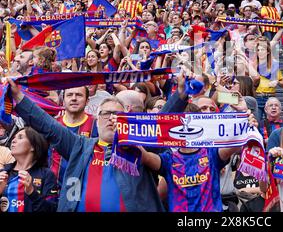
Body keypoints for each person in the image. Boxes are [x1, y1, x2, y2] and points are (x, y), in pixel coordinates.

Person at [6, 71, 190, 211]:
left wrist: (181, 94)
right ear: (96, 118)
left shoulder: (140, 146)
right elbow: (46, 125)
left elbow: (161, 122)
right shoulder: (79, 145)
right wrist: (18, 97)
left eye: (117, 115)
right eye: (106, 114)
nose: (111, 118)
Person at [0, 127, 59, 212]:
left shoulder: (47, 175)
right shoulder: (3, 173)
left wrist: (32, 192)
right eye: (13, 138)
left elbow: (52, 209)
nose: (13, 141)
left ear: (33, 146)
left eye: (20, 137)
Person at [49, 87, 98, 187]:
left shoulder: (96, 124)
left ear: (87, 101)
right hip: (54, 188)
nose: (74, 98)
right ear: (63, 101)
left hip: (85, 187)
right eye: (69, 95)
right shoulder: (52, 124)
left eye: (79, 95)